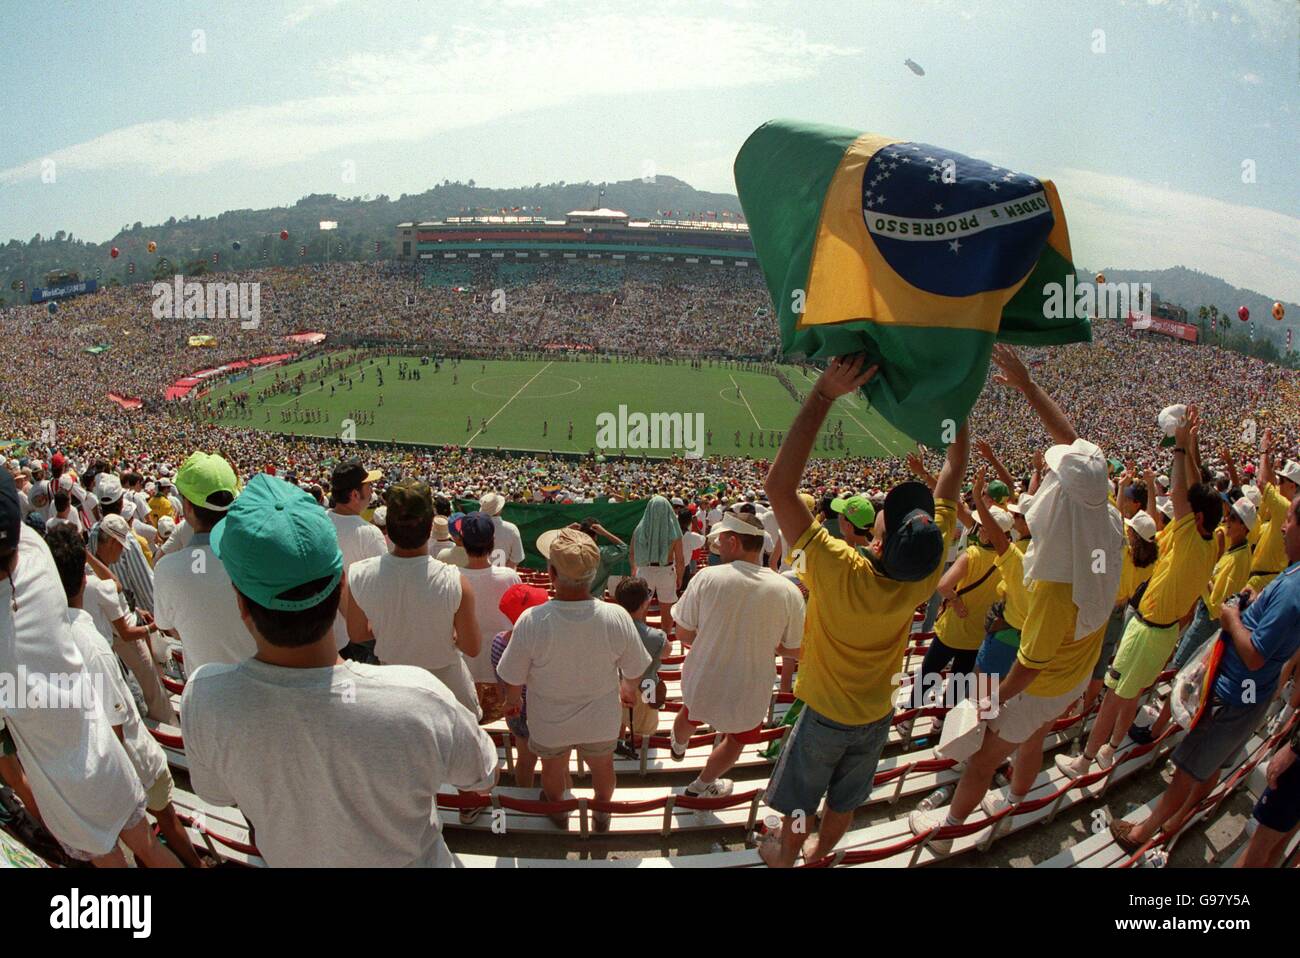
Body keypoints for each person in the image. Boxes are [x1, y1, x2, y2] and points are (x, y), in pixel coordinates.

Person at [181, 474, 498, 867]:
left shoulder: (204, 698)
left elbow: (216, 794)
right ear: (340, 585)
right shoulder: (420, 698)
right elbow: (482, 773)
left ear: (242, 605)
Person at [910, 344, 1123, 854]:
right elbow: (1077, 450)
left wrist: (987, 702)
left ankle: (952, 831)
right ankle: (1018, 796)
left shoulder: (1054, 583)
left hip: (1044, 678)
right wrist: (1028, 388)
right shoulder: (1105, 514)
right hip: (1075, 667)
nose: (1047, 477)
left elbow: (1027, 668)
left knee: (984, 756)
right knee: (1034, 737)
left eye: (1052, 477)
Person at [761, 354, 966, 867]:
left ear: (877, 542)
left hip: (825, 716)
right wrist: (956, 414)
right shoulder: (923, 573)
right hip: (876, 715)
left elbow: (778, 488)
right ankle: (818, 855)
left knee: (793, 805)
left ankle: (786, 857)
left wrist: (823, 395)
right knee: (846, 801)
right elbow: (952, 476)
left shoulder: (838, 567)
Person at [0, 472, 180, 869]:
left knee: (114, 863)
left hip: (62, 788)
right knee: (150, 848)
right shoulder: (38, 560)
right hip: (104, 755)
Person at [1112, 491, 1300, 854]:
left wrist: (1231, 619)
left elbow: (1256, 654)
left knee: (1188, 764)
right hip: (1247, 692)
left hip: (1235, 691)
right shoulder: (1291, 573)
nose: (1283, 526)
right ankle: (1176, 819)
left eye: (1290, 519)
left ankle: (1141, 833)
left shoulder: (1293, 588)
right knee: (1210, 760)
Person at [1064, 405, 1220, 775]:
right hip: (1163, 634)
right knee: (1130, 694)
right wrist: (1191, 444)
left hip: (1146, 631)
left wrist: (1181, 448)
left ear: (1194, 517)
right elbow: (1196, 492)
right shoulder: (1212, 541)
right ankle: (1111, 748)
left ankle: (1085, 761)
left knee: (1114, 697)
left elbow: (1185, 491)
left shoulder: (1188, 536)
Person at [45, 526, 205, 867]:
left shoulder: (49, 637)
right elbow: (116, 728)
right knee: (166, 827)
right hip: (129, 768)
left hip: (100, 776)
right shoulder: (91, 645)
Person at [496, 528, 650, 832]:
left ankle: (560, 813)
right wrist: (627, 689)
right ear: (593, 573)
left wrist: (513, 702)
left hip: (549, 720)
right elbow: (634, 670)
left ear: (551, 572)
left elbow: (513, 676)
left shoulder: (532, 620)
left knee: (553, 767)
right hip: (600, 717)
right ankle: (602, 815)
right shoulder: (616, 616)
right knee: (603, 766)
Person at [668, 511, 804, 796]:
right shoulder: (787, 590)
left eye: (721, 540)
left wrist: (713, 635)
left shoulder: (707, 577)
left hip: (704, 674)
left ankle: (678, 749)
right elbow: (794, 649)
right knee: (736, 741)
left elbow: (683, 633)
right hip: (751, 685)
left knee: (690, 713)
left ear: (733, 541)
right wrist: (767, 642)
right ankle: (701, 785)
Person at [345, 481, 482, 717]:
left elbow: (357, 634)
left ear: (387, 528)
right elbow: (472, 647)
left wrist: (394, 627)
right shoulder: (455, 582)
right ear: (430, 527)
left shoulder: (358, 575)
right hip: (448, 695)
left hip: (394, 689)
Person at [152, 452, 248, 678]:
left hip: (205, 694)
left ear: (187, 508)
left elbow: (168, 625)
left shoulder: (167, 570)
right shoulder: (258, 557)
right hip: (262, 694)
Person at [457, 512, 521, 722]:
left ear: (462, 542)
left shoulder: (450, 577)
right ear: (492, 542)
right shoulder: (510, 577)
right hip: (501, 674)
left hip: (463, 675)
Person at [490, 584, 550, 788]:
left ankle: (524, 800)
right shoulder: (545, 646)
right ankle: (560, 803)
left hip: (515, 713)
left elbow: (501, 684)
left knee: (524, 759)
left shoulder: (498, 641)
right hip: (543, 713)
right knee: (554, 763)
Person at [326, 460, 387, 660]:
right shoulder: (369, 534)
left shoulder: (318, 521)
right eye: (368, 486)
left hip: (323, 631)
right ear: (354, 495)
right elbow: (382, 586)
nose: (371, 490)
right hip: (356, 635)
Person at [612, 577, 668, 759]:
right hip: (647, 688)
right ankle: (635, 747)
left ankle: (618, 741)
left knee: (617, 718)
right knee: (644, 728)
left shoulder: (609, 631)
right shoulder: (657, 636)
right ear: (646, 603)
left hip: (616, 686)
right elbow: (666, 652)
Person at [1246, 431, 1299, 593]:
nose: (1278, 483)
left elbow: (1262, 483)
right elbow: (1269, 482)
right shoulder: (1288, 504)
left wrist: (1262, 452)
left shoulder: (1285, 507)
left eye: (1282, 481)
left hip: (1263, 581)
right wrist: (1267, 456)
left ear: (1293, 486)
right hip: (1265, 577)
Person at [630, 495, 685, 636]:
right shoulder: (675, 531)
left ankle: (643, 641)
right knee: (667, 611)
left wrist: (634, 572)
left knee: (641, 610)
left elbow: (632, 554)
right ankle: (663, 641)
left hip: (645, 572)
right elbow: (680, 559)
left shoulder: (639, 529)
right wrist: (680, 577)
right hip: (665, 572)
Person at [479, 492, 524, 569]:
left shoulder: (476, 529)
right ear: (499, 510)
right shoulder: (511, 529)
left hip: (481, 577)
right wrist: (503, 573)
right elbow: (517, 558)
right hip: (506, 577)